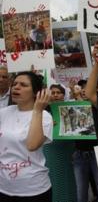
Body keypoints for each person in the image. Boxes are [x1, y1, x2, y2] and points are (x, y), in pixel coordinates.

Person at [0, 72, 53, 201]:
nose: (16, 87)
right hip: (3, 188)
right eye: (15, 84)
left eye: (23, 85)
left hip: (33, 190)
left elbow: (32, 145)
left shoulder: (44, 116)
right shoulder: (4, 113)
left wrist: (37, 110)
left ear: (36, 92)